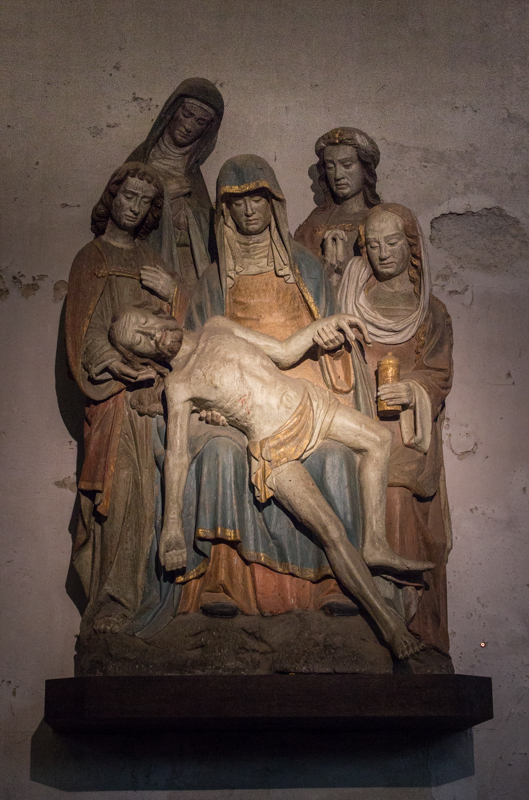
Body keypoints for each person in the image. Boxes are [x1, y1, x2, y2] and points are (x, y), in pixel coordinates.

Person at [109, 303, 428, 660]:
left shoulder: (217, 326)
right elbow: (178, 457)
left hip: (308, 405)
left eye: (145, 323)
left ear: (156, 313)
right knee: (331, 532)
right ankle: (390, 626)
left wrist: (326, 324)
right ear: (142, 357)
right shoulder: (179, 385)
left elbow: (284, 351)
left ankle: (375, 543)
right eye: (140, 341)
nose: (152, 335)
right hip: (274, 448)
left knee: (379, 439)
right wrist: (171, 528)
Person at [176, 154, 406, 620]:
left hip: (303, 396)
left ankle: (333, 583)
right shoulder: (213, 282)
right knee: (220, 454)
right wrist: (210, 406)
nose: (249, 211)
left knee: (336, 458)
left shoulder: (305, 267)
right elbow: (196, 354)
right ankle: (224, 580)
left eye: (257, 199)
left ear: (274, 202)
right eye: (237, 202)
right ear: (225, 211)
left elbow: (325, 339)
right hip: (238, 412)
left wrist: (330, 343)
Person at [65, 162, 185, 634]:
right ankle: (115, 599)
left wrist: (174, 294)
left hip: (160, 392)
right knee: (124, 491)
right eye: (127, 196)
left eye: (144, 201)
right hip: (114, 400)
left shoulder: (152, 262)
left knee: (163, 489)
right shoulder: (90, 258)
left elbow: (177, 329)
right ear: (112, 197)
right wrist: (114, 363)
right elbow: (84, 331)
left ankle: (159, 596)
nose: (133, 208)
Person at [338, 203, 453, 656]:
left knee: (394, 486)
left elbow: (438, 373)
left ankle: (402, 606)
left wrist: (412, 389)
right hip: (353, 418)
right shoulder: (347, 299)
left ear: (411, 247)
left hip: (405, 431)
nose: (383, 253)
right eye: (374, 245)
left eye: (392, 242)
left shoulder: (431, 313)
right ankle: (347, 604)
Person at [127, 77, 224, 293]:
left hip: (190, 270)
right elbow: (114, 223)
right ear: (172, 112)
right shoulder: (141, 162)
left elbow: (208, 239)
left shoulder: (194, 176)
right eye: (186, 115)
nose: (189, 127)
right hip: (148, 266)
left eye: (200, 122)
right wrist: (161, 196)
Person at [294, 127, 381, 285]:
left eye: (347, 165)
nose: (338, 175)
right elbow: (297, 267)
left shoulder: (380, 218)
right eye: (330, 167)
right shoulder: (316, 220)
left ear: (365, 168)